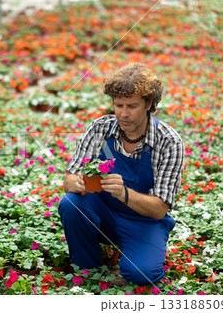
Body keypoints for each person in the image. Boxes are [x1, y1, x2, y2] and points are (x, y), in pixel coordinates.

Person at [58, 63, 184, 285]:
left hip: (144, 221)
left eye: (132, 106)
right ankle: (88, 270)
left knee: (141, 274)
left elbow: (159, 209)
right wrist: (75, 182)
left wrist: (124, 193)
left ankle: (133, 252)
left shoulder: (168, 142)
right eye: (118, 105)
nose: (123, 114)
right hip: (103, 211)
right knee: (71, 203)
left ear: (149, 104)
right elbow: (68, 178)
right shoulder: (100, 129)